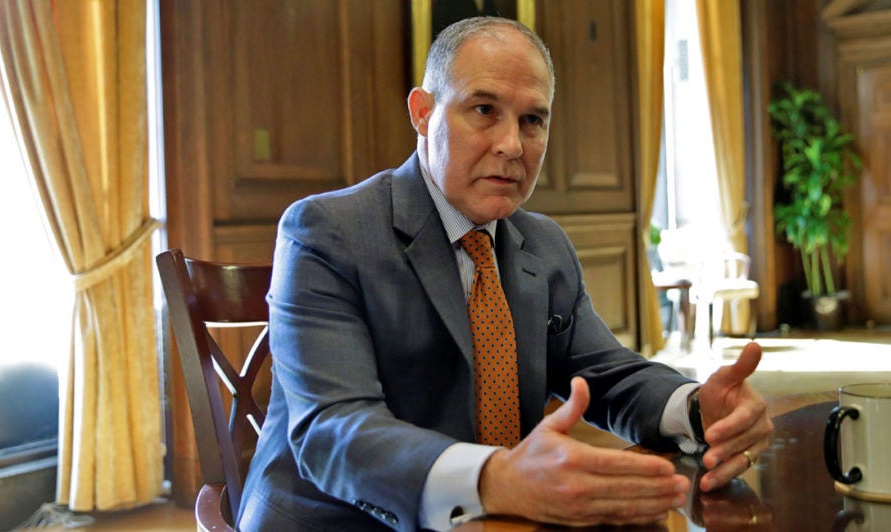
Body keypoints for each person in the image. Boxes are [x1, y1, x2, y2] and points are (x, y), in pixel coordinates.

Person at [238, 16, 772, 532]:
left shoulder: (544, 244)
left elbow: (609, 375)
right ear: (423, 113)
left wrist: (697, 409)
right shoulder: (328, 231)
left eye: (532, 120)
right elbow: (333, 430)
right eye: (484, 109)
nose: (512, 145)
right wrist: (494, 479)